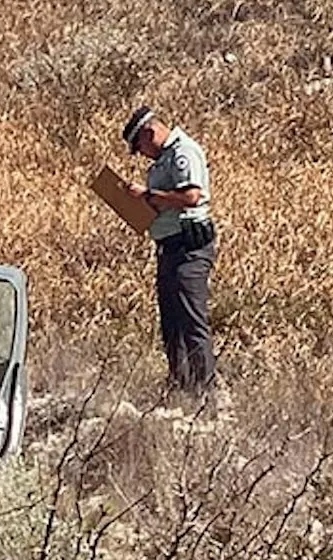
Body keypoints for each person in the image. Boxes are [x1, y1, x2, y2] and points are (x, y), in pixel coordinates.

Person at [121, 106, 218, 396]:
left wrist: (147, 196)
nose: (142, 153)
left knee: (191, 319)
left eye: (140, 147)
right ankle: (180, 384)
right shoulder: (162, 161)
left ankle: (204, 391)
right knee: (171, 321)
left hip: (188, 248)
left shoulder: (183, 153)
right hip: (167, 247)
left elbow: (191, 196)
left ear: (149, 133)